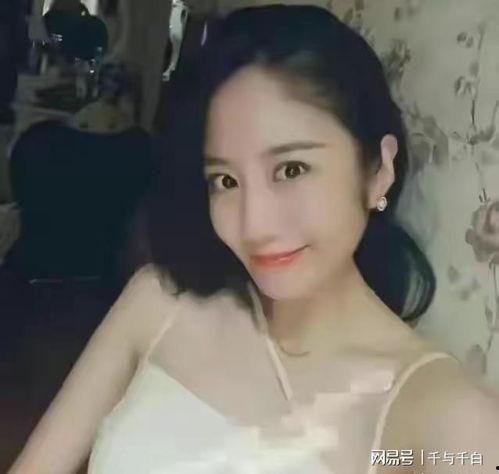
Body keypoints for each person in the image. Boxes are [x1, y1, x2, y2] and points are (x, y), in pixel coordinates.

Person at [8, 5, 499, 474]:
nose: (254, 224)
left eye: (291, 169)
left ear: (378, 170)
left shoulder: (446, 422)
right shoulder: (159, 303)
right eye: (225, 180)